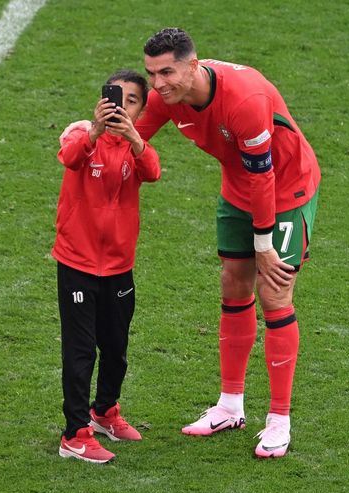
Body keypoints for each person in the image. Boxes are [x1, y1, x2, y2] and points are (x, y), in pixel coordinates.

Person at [136, 28, 321, 458]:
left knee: (274, 290)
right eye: (151, 74)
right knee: (233, 284)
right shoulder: (167, 97)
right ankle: (230, 405)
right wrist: (89, 136)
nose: (159, 85)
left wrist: (264, 242)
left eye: (167, 72)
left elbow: (265, 175)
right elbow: (134, 137)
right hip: (239, 189)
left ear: (194, 65)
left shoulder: (245, 100)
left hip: (286, 190)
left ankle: (279, 420)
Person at [53, 69, 161, 464]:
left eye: (133, 101)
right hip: (78, 263)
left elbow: (153, 172)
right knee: (81, 351)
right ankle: (75, 434)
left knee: (115, 347)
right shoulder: (81, 132)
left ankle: (105, 412)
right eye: (119, 98)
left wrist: (134, 137)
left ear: (141, 109)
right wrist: (96, 130)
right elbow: (69, 158)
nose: (123, 106)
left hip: (118, 265)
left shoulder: (138, 146)